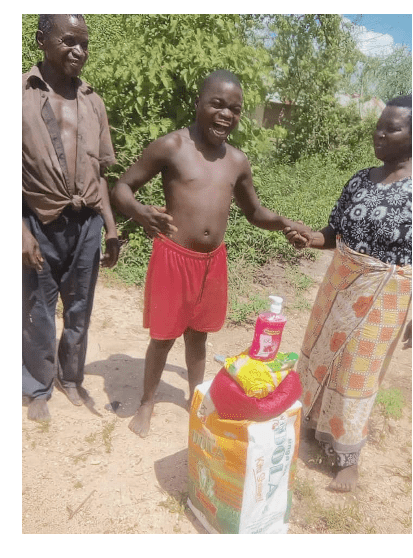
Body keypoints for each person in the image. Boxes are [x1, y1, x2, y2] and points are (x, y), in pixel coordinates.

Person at [110, 69, 310, 437]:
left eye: (234, 109)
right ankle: (147, 401)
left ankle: (196, 397)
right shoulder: (172, 146)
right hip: (174, 257)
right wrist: (139, 212)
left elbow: (254, 213)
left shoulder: (236, 160)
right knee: (164, 336)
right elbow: (122, 187)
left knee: (199, 335)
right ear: (198, 103)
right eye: (216, 104)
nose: (225, 114)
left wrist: (284, 223)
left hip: (211, 263)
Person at [284, 94, 413, 491]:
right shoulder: (360, 178)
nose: (380, 132)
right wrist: (310, 239)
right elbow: (334, 232)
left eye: (392, 128)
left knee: (359, 371)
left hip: (385, 295)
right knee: (319, 353)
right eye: (379, 124)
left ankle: (347, 458)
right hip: (339, 284)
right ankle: (309, 424)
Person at [22, 14, 120, 422]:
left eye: (85, 44)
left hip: (87, 225)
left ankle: (72, 378)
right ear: (42, 40)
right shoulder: (18, 97)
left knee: (79, 308)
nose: (79, 52)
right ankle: (38, 385)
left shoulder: (93, 101)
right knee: (37, 309)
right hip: (38, 223)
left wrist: (111, 227)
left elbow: (99, 172)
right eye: (69, 41)